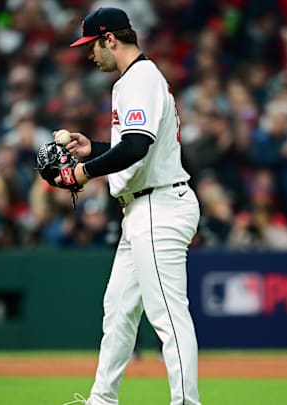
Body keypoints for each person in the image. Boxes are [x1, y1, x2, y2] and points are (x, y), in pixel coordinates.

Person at [56, 8, 201, 404]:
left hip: (159, 205)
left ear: (110, 39)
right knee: (119, 309)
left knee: (168, 316)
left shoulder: (139, 78)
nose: (89, 55)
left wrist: (82, 172)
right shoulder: (135, 80)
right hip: (143, 205)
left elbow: (137, 146)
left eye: (91, 46)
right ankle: (102, 399)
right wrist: (95, 150)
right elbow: (134, 148)